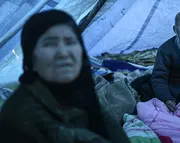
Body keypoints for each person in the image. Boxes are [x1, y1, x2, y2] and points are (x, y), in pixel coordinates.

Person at [0, 10, 130, 143]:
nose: (63, 53)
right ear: (31, 58)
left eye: (70, 42)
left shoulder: (82, 92)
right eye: (50, 44)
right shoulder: (20, 116)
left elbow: (114, 132)